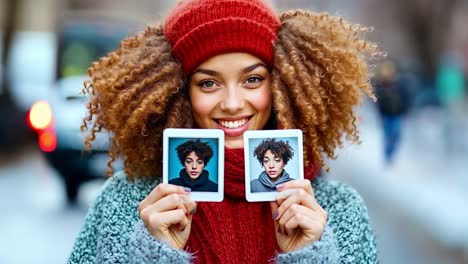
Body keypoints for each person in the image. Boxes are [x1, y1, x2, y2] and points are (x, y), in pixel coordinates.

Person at [69, 0, 381, 263]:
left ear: (281, 86)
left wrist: (310, 256)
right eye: (208, 83)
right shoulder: (126, 204)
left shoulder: (338, 211)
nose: (232, 103)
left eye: (253, 80)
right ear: (178, 92)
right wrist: (154, 254)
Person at [374, 60, 409, 166]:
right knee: (388, 135)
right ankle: (388, 157)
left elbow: (404, 97)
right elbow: (378, 102)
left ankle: (391, 155)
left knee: (396, 135)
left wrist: (405, 109)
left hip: (396, 114)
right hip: (386, 115)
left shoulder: (398, 84)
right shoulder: (380, 86)